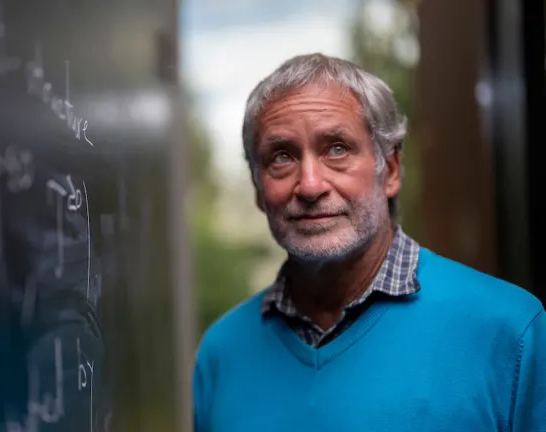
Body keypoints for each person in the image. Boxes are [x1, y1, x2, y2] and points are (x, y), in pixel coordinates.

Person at [192, 53, 545, 432]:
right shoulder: (222, 353)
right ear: (259, 190)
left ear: (390, 170)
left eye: (337, 149)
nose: (310, 185)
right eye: (281, 157)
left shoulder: (510, 332)